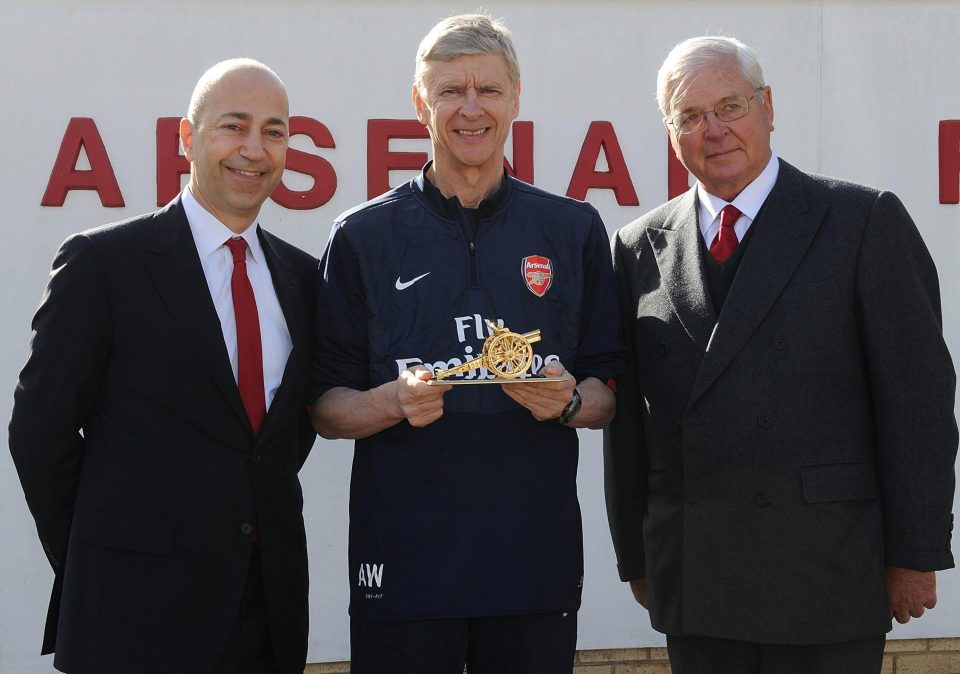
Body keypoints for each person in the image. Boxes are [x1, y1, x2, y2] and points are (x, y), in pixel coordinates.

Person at [604, 35, 958, 673]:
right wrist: (638, 553)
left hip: (826, 573)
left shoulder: (860, 221)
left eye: (731, 106)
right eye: (689, 117)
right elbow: (630, 424)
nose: (713, 130)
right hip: (697, 574)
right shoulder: (638, 246)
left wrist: (915, 553)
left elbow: (918, 402)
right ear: (670, 133)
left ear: (768, 106)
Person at [310, 13, 623, 674]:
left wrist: (565, 403)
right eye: (450, 91)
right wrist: (393, 403)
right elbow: (326, 407)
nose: (470, 109)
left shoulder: (572, 229)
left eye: (487, 89)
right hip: (403, 570)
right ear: (420, 103)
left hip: (532, 568)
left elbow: (608, 392)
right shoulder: (363, 236)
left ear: (516, 99)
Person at [9, 59, 318, 674]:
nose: (254, 149)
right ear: (187, 138)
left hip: (267, 618)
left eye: (274, 131)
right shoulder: (105, 265)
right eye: (234, 125)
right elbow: (39, 434)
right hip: (131, 621)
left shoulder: (305, 280)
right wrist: (101, 561)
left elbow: (274, 443)